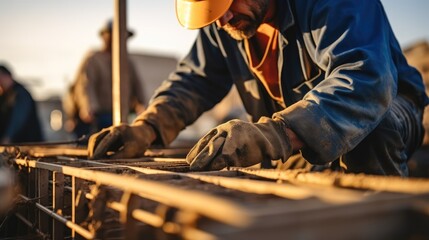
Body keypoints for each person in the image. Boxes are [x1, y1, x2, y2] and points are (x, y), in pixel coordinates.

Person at [88, 0, 428, 177]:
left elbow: (366, 81)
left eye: (227, 4)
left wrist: (277, 135)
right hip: (298, 138)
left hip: (391, 109)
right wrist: (147, 127)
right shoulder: (226, 22)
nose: (222, 21)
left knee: (373, 130)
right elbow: (195, 79)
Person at [63, 19, 146, 139]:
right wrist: (88, 107)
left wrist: (142, 105)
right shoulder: (93, 59)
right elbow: (85, 86)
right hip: (96, 118)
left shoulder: (127, 62)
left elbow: (137, 86)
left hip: (119, 116)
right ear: (105, 37)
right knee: (90, 146)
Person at [0, 64, 44, 144]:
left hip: (27, 144)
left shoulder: (20, 93)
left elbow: (18, 118)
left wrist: (8, 136)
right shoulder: (5, 96)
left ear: (7, 76)